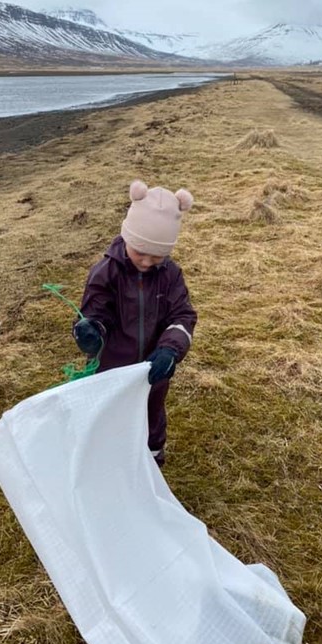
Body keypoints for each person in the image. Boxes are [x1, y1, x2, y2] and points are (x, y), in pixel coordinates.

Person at [73, 179, 197, 467]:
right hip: (111, 369)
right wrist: (91, 331)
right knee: (110, 415)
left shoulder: (171, 275)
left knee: (151, 414)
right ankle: (108, 461)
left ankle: (151, 460)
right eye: (140, 250)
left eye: (156, 255)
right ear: (127, 237)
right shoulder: (105, 272)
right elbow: (95, 312)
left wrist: (170, 350)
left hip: (153, 370)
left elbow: (182, 316)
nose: (145, 261)